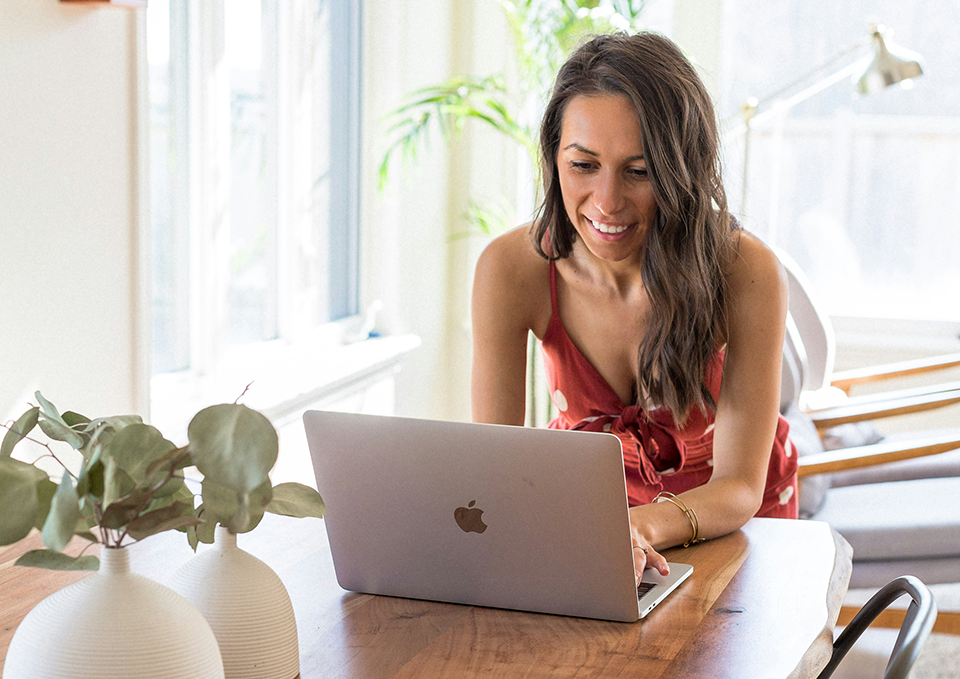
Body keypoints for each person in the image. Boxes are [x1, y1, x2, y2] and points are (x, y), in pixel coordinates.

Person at [470, 32, 798, 583]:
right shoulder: (513, 268)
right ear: (554, 158)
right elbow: (493, 468)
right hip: (595, 521)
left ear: (681, 172)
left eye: (638, 171)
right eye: (583, 165)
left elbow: (740, 486)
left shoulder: (745, 271)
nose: (606, 201)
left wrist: (641, 525)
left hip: (732, 520)